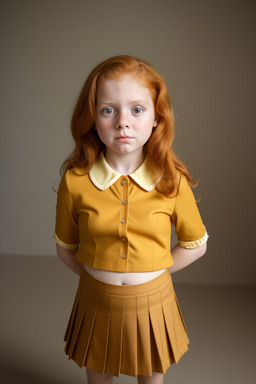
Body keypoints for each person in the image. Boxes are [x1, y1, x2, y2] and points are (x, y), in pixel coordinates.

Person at [53, 55, 208, 384]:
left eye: (137, 109)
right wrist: (100, 279)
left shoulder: (172, 181)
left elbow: (196, 245)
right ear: (93, 118)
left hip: (155, 301)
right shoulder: (76, 181)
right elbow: (66, 247)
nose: (123, 121)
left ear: (156, 117)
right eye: (108, 110)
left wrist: (151, 274)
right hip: (95, 300)